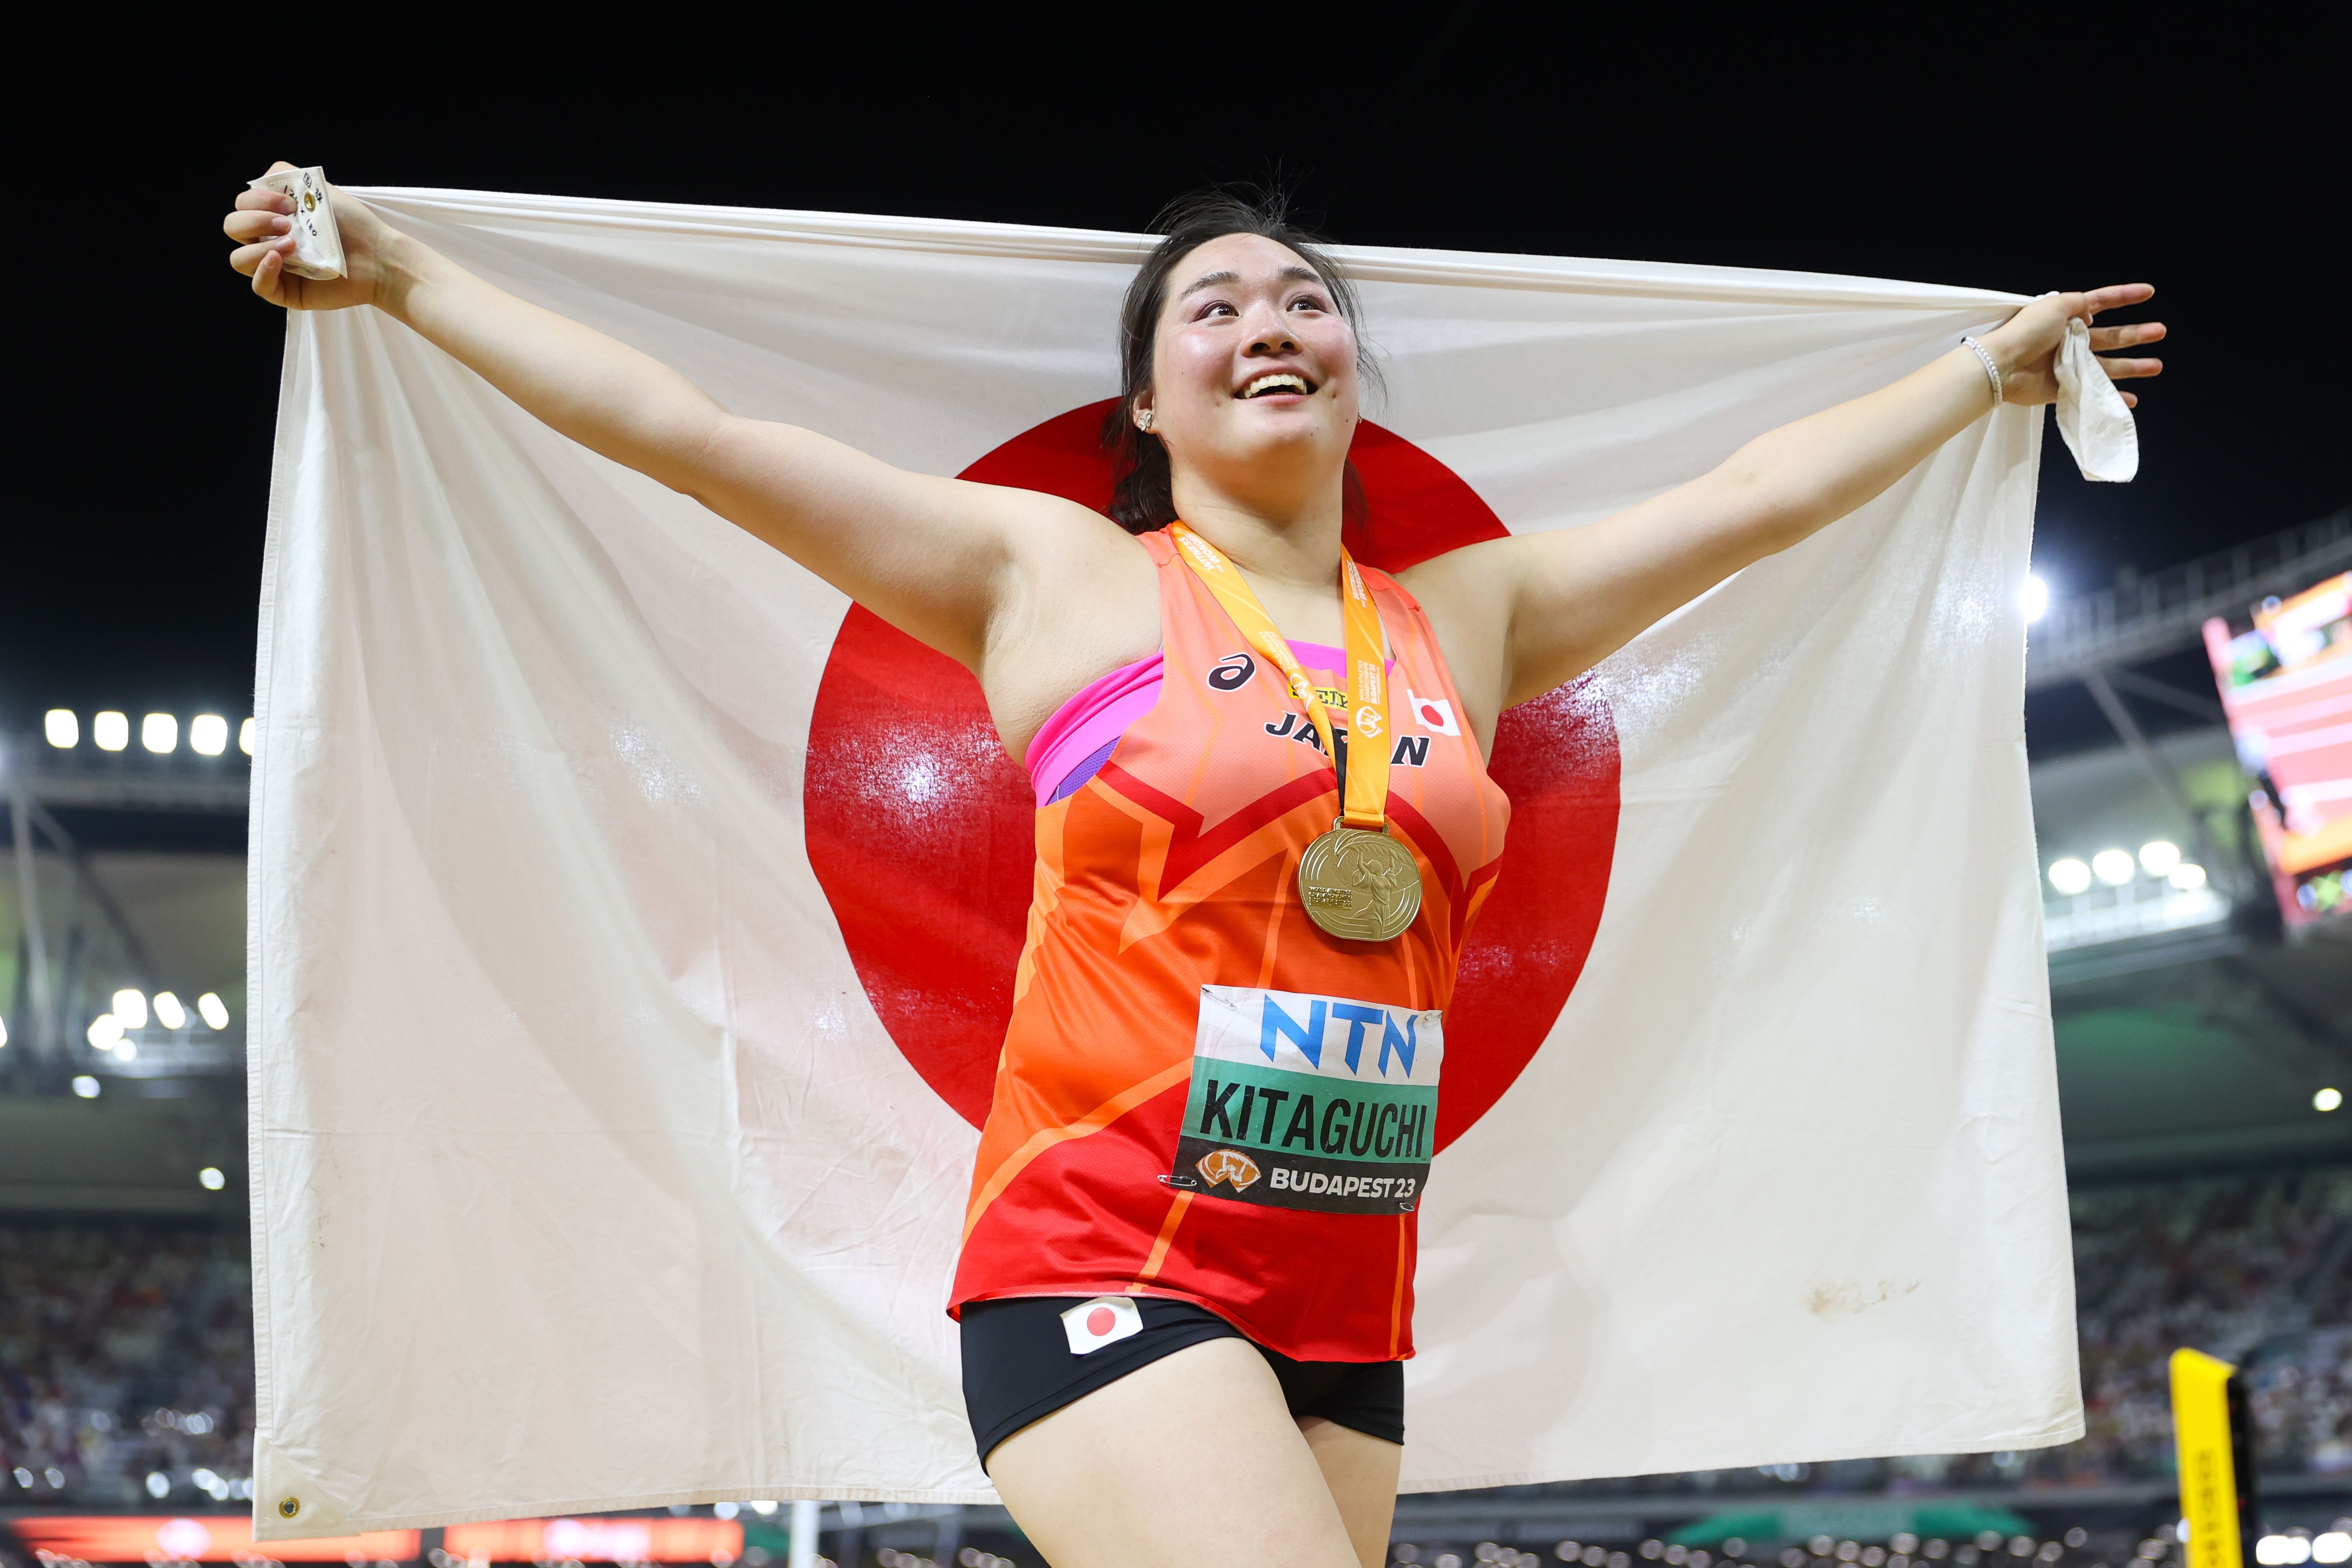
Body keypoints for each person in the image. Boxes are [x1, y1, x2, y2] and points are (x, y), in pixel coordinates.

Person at [223, 166, 2162, 1568]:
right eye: (1213, 306)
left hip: (1346, 1288)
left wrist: (1979, 379)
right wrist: (401, 280)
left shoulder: (1460, 620)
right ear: (1145, 399)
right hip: (1106, 1261)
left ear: (1350, 372)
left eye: (1304, 299)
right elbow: (698, 437)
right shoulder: (1050, 575)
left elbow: (1749, 505)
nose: (1270, 320)